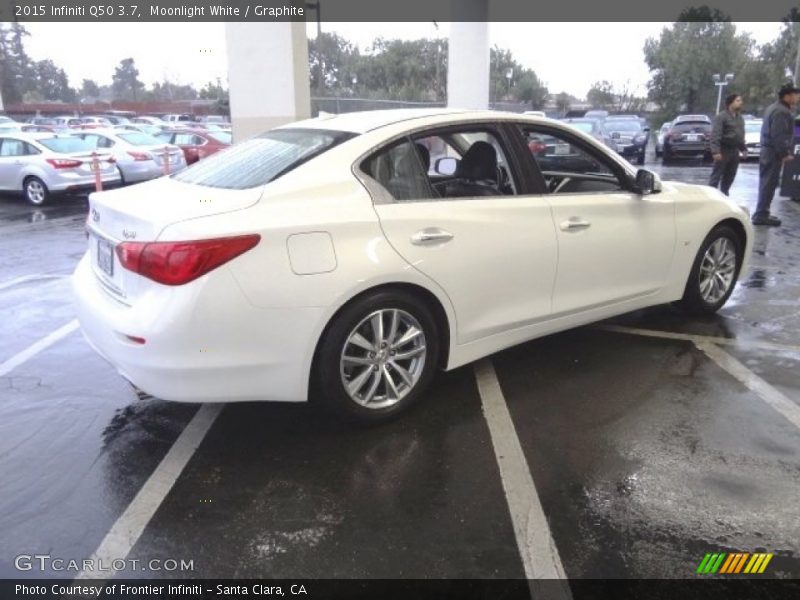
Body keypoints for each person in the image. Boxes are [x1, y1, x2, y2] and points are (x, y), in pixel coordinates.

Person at [753, 83, 800, 226]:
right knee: (768, 183)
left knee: (768, 183)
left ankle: (763, 212)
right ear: (787, 96)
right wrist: (784, 153)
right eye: (796, 95)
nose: (798, 98)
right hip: (772, 153)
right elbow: (778, 135)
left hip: (769, 151)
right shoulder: (781, 111)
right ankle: (761, 215)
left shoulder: (775, 108)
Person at [708, 94, 746, 196]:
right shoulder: (722, 117)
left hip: (734, 151)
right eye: (738, 101)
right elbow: (716, 134)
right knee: (717, 175)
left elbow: (740, 135)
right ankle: (711, 196)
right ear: (731, 103)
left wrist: (743, 148)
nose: (740, 103)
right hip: (723, 150)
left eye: (740, 101)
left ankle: (724, 194)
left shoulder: (740, 118)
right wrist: (715, 151)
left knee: (730, 175)